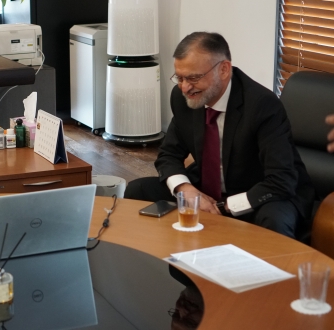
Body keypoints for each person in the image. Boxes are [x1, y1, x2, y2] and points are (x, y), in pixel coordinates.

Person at [125, 32, 314, 238]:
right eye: (179, 78)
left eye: (193, 78)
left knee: (274, 221)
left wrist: (223, 207)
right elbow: (168, 155)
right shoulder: (183, 98)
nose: (185, 87)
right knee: (139, 189)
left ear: (223, 70)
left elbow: (281, 180)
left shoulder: (262, 106)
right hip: (207, 188)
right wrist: (185, 189)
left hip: (261, 193)